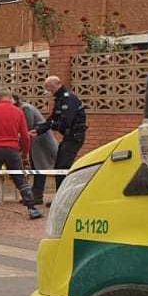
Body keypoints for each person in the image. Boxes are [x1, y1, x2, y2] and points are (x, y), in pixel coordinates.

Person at [0, 91, 43, 222]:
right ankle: (32, 208)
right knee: (20, 180)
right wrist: (24, 153)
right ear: (11, 98)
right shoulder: (18, 111)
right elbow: (25, 136)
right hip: (12, 149)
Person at [34, 75, 87, 203]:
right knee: (60, 167)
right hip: (69, 137)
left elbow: (65, 122)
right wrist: (38, 130)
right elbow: (53, 118)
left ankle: (64, 199)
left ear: (57, 84)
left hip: (74, 137)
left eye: (50, 88)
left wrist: (52, 125)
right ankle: (61, 198)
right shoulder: (60, 99)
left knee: (62, 166)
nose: (49, 91)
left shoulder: (68, 99)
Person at [15, 94, 57, 204]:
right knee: (36, 166)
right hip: (35, 139)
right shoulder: (23, 108)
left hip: (40, 140)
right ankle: (35, 194)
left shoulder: (25, 108)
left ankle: (37, 195)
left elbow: (27, 126)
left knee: (39, 166)